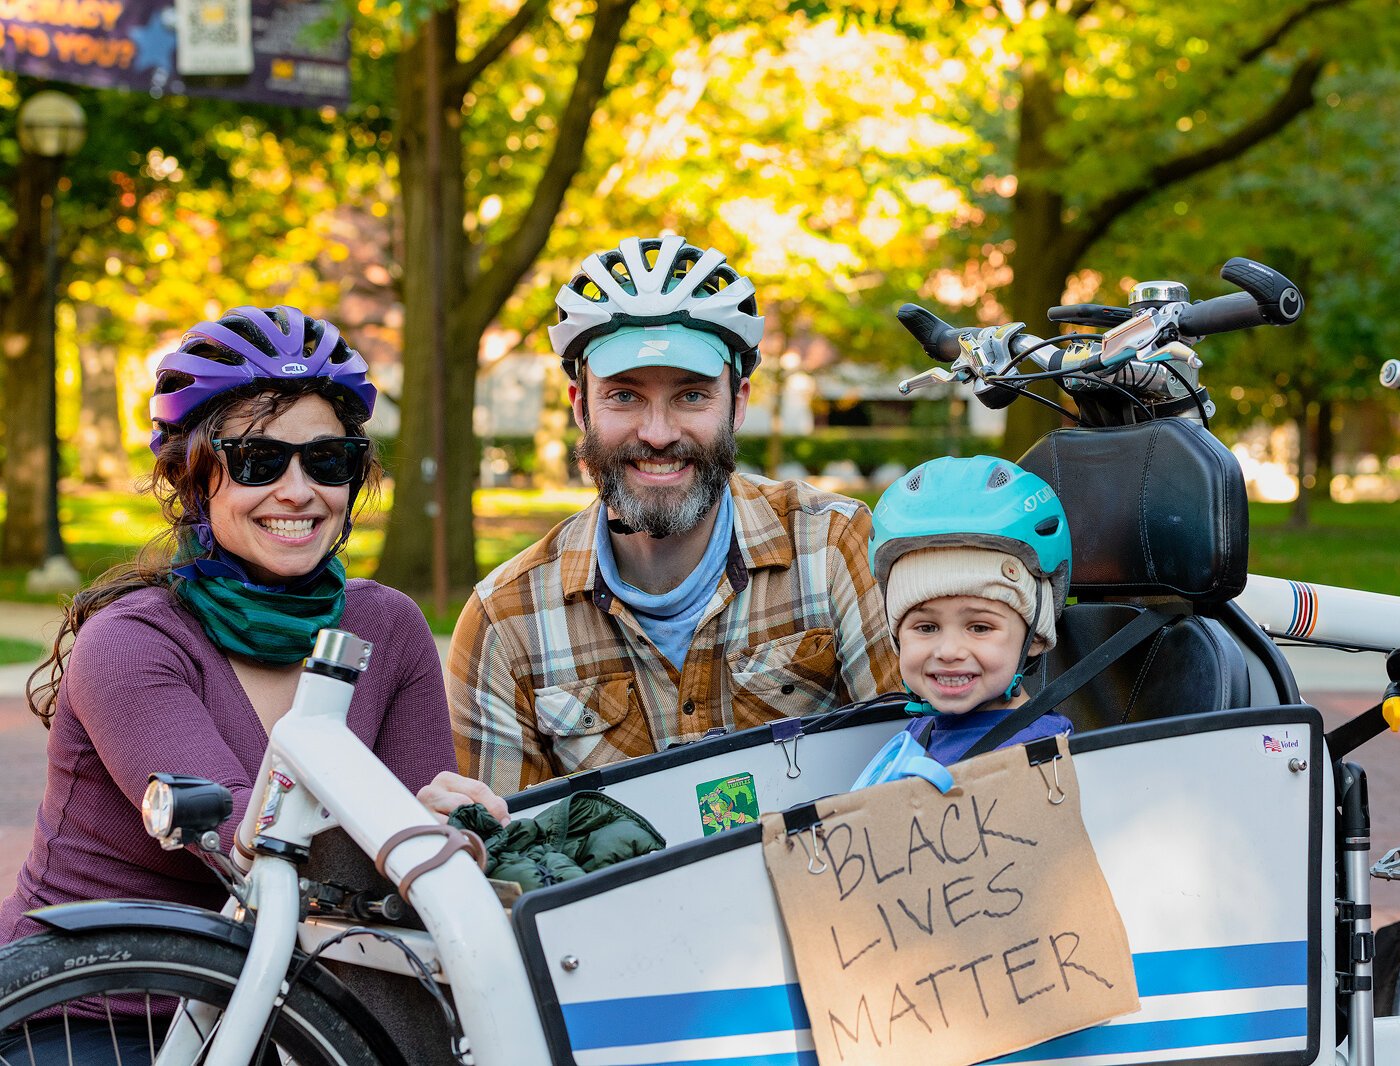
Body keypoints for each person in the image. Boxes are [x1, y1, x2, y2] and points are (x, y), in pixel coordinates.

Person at [0, 305, 499, 956]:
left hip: (294, 1012)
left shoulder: (389, 627)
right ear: (193, 476)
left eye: (326, 459)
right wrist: (409, 829)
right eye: (258, 460)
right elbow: (250, 843)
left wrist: (459, 822)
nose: (298, 491)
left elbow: (410, 876)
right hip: (95, 1009)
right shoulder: (129, 644)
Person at [449, 235, 900, 791]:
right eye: (623, 395)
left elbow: (920, 773)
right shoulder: (505, 623)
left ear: (737, 403)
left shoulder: (834, 546)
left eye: (691, 396)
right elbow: (512, 862)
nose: (658, 433)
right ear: (579, 406)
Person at [865, 454, 1073, 766]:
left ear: (1036, 637)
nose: (949, 651)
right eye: (926, 628)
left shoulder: (1039, 758)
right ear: (897, 636)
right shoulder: (920, 733)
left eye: (979, 627)